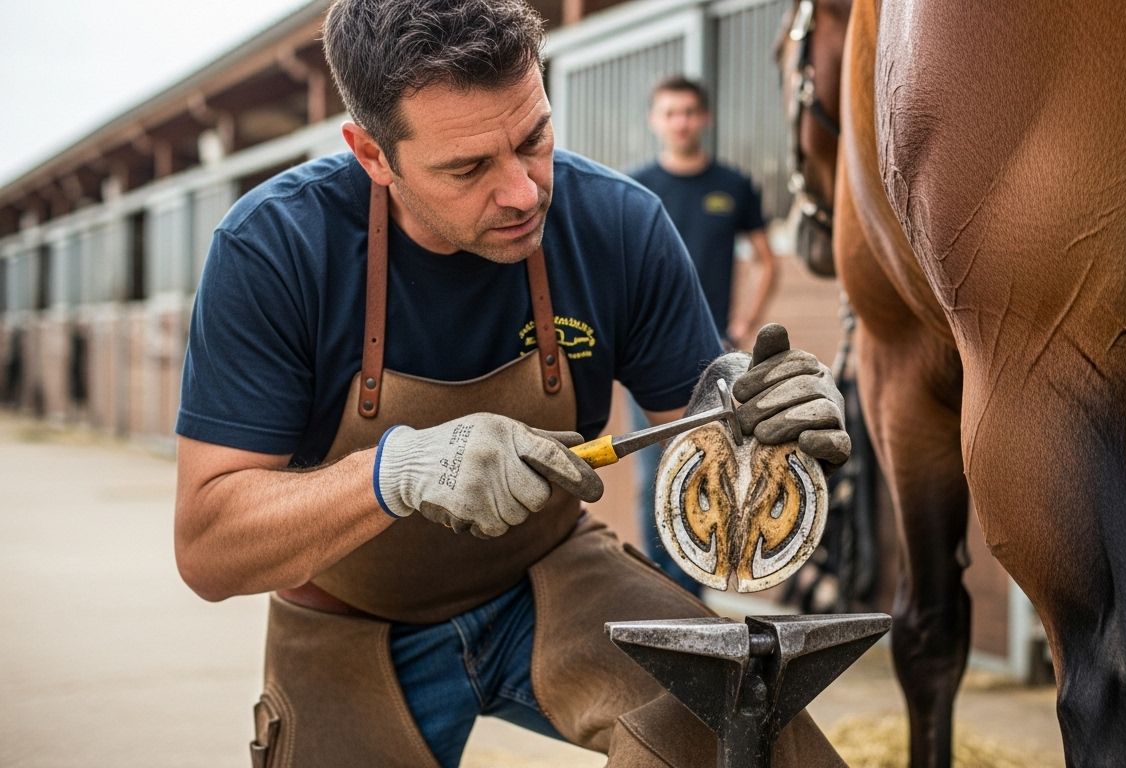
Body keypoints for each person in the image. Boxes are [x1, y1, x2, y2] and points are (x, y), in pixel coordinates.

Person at [171, 1, 849, 766]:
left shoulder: (619, 224)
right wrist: (395, 472)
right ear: (372, 155)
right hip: (350, 614)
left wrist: (763, 434)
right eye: (467, 168)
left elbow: (702, 434)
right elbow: (208, 547)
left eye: (533, 139)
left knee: (746, 718)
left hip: (557, 573)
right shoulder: (276, 248)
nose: (524, 192)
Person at [628, 77, 780, 592]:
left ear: (704, 118)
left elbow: (766, 261)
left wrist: (744, 321)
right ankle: (659, 588)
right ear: (655, 120)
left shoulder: (732, 186)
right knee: (654, 475)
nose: (681, 122)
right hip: (647, 354)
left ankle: (689, 590)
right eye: (670, 113)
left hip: (713, 356)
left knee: (707, 471)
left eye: (690, 112)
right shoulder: (638, 189)